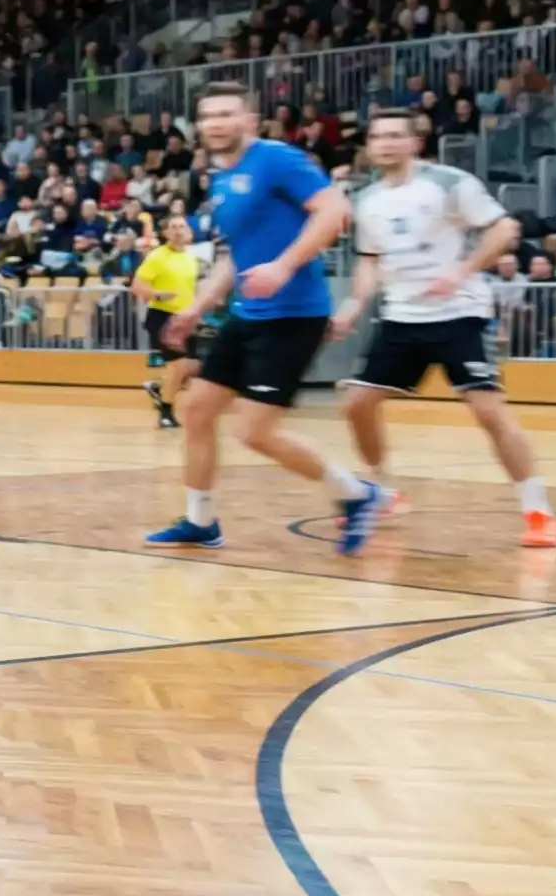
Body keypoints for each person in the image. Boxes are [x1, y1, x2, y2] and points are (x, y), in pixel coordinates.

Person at [148, 86, 384, 555]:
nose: (215, 123)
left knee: (252, 431)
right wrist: (197, 306)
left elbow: (336, 212)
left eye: (226, 114)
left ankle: (358, 495)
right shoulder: (219, 180)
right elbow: (237, 258)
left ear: (250, 120)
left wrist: (284, 266)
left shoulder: (278, 159)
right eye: (207, 115)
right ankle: (200, 521)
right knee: (195, 410)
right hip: (247, 313)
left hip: (294, 315)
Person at [330, 108, 556, 548]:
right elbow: (369, 260)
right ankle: (382, 491)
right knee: (356, 404)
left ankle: (538, 511)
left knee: (488, 411)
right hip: (401, 318)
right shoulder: (367, 200)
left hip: (460, 313)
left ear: (416, 142)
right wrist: (354, 305)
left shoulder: (449, 182)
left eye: (397, 135)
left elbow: (504, 228)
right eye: (378, 136)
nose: (386, 143)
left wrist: (462, 270)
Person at [133, 216, 200, 430]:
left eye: (182, 226)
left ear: (189, 231)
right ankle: (166, 412)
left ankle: (159, 387)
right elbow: (137, 287)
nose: (179, 230)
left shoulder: (191, 258)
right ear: (166, 233)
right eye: (174, 227)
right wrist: (158, 294)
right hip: (162, 316)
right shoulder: (156, 257)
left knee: (192, 369)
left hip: (185, 319)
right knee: (178, 364)